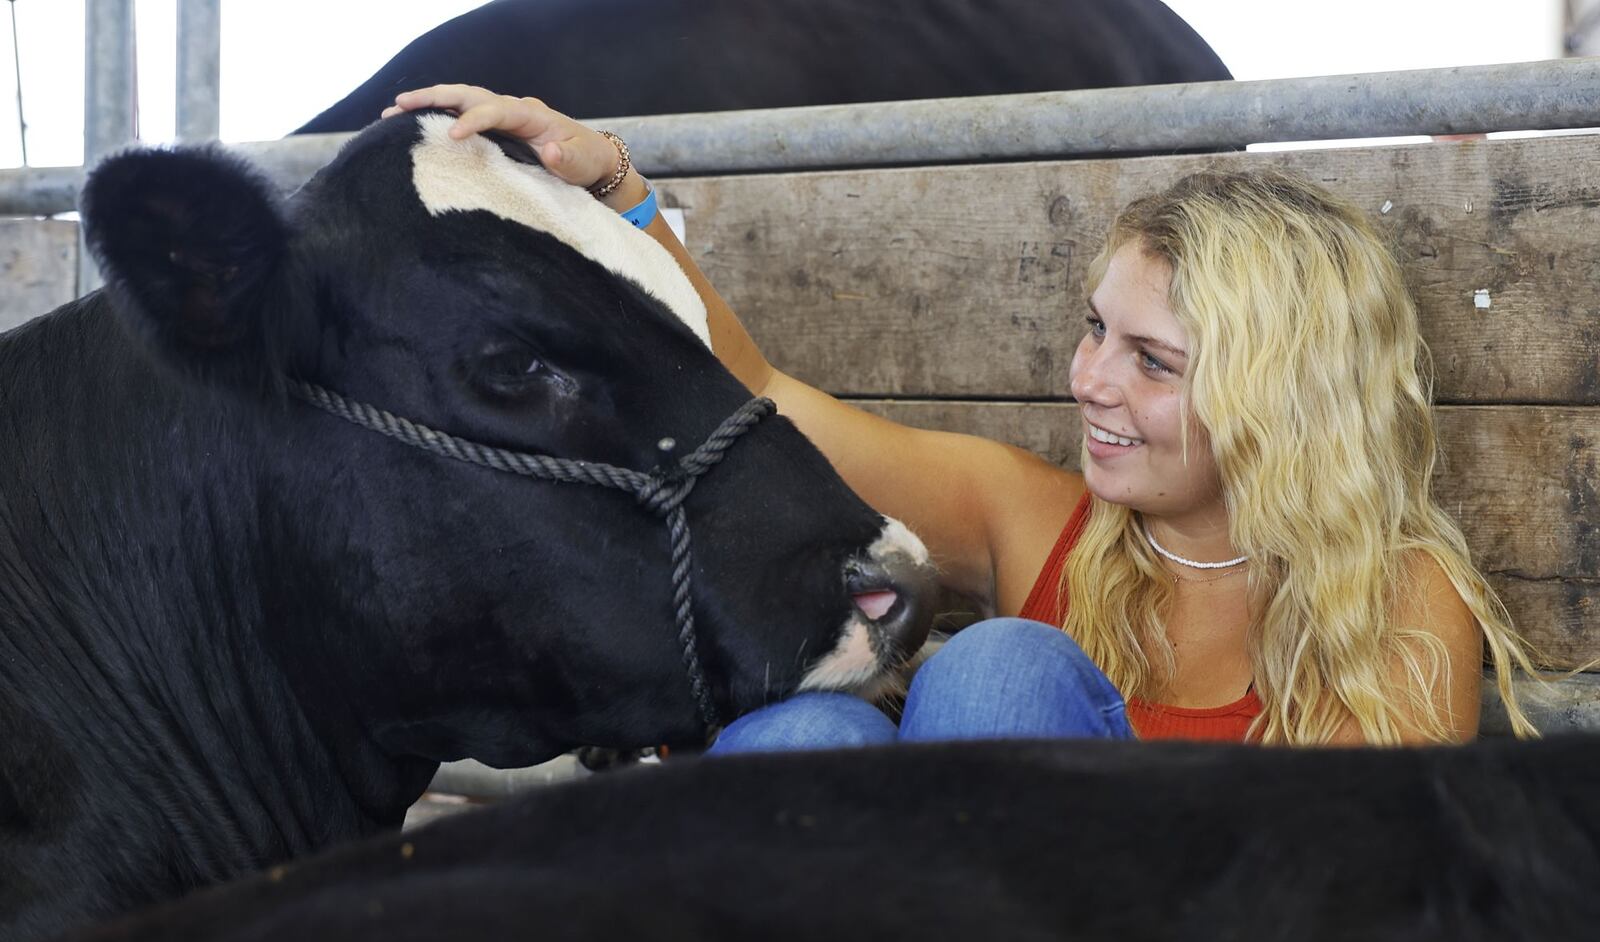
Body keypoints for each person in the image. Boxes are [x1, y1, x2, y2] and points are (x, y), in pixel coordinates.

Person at [382, 85, 1541, 747]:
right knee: (801, 737)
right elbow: (770, 401)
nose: (1089, 380)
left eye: (1151, 360)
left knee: (996, 672)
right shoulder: (1035, 521)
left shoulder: (1390, 598)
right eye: (1095, 330)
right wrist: (615, 190)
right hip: (941, 918)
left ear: (1281, 393)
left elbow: (1342, 896)